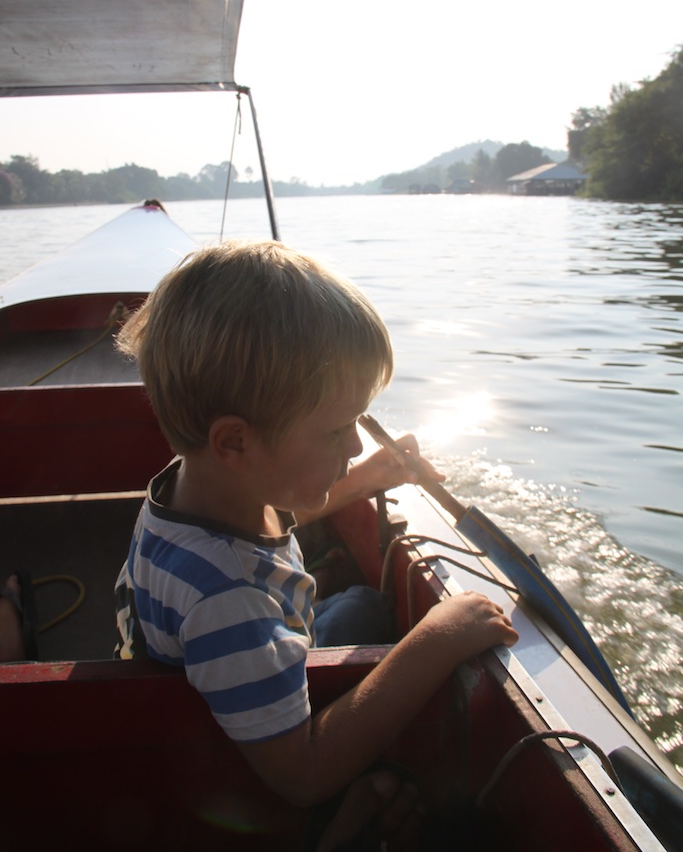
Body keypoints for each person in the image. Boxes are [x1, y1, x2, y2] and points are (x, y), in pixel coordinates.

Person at [113, 240, 518, 839]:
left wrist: (369, 478)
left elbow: (276, 513)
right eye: (336, 431)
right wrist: (436, 638)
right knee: (369, 619)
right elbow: (299, 773)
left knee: (356, 605)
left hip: (237, 670)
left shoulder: (198, 488)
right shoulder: (228, 602)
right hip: (245, 773)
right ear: (236, 443)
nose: (355, 444)